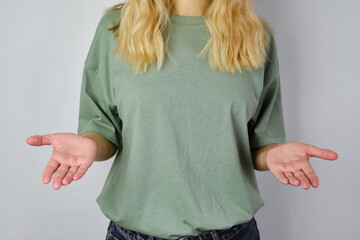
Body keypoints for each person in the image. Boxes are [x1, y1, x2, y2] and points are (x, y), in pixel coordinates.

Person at [26, 0, 339, 239]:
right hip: (132, 232)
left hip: (233, 232)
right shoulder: (117, 27)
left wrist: (272, 154)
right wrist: (91, 143)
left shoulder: (257, 36)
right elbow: (103, 126)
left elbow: (260, 141)